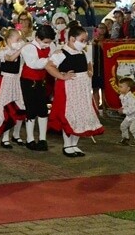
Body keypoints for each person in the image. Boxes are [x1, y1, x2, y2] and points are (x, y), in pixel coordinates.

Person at [47, 25, 103, 157]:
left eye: (85, 40)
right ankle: (67, 145)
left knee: (80, 115)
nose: (84, 43)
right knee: (70, 115)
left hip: (82, 90)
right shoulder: (61, 53)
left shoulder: (83, 52)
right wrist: (62, 76)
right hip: (69, 89)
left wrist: (90, 71)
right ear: (72, 39)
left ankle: (74, 144)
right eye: (82, 40)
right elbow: (49, 66)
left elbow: (89, 63)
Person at [0, 28, 26, 148]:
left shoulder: (19, 52)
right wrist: (22, 48)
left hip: (16, 80)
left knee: (20, 106)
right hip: (6, 81)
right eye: (17, 39)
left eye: (20, 40)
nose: (19, 41)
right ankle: (5, 137)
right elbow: (10, 58)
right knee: (6, 107)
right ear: (8, 40)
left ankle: (16, 134)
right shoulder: (3, 51)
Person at [20, 25, 56, 151]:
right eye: (46, 42)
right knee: (31, 110)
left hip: (42, 81)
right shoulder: (28, 48)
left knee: (42, 110)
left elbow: (53, 60)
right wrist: (51, 59)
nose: (48, 45)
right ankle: (30, 139)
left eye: (50, 42)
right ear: (37, 38)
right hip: (28, 81)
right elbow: (34, 64)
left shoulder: (50, 46)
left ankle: (42, 139)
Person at [117, 78, 135, 147]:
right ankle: (126, 138)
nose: (119, 88)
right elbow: (125, 105)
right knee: (123, 126)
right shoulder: (123, 96)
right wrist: (122, 108)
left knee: (132, 128)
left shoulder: (132, 98)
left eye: (121, 87)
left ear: (128, 88)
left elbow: (132, 109)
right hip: (130, 116)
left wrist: (123, 111)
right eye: (119, 86)